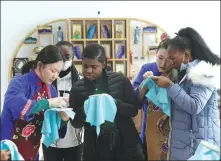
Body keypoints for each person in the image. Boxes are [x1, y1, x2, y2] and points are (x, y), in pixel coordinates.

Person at [150, 27, 220, 160]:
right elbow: (184, 100)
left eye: (172, 58)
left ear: (186, 55)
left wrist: (169, 85)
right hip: (187, 143)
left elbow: (194, 106)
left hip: (200, 145)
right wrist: (169, 116)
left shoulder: (203, 72)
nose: (169, 63)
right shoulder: (183, 71)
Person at [69, 44, 145, 161]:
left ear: (103, 64)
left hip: (125, 140)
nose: (88, 71)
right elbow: (76, 123)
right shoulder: (77, 88)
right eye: (85, 66)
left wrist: (114, 103)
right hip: (95, 144)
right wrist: (86, 108)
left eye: (94, 67)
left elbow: (133, 110)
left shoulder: (120, 80)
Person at [1, 45, 70, 160]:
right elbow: (17, 107)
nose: (55, 76)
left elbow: (52, 124)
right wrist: (47, 103)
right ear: (39, 65)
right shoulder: (18, 83)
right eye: (52, 71)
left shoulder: (51, 90)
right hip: (8, 148)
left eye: (58, 72)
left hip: (32, 150)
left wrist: (63, 119)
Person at [133, 38, 177, 160]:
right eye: (160, 58)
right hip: (150, 126)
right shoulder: (147, 68)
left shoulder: (178, 72)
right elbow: (135, 101)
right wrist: (145, 85)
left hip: (172, 126)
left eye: (168, 60)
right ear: (156, 54)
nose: (162, 64)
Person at [42, 41, 83, 161]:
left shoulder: (80, 80)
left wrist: (71, 116)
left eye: (67, 56)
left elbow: (85, 110)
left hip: (74, 138)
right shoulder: (46, 79)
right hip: (50, 139)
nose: (63, 60)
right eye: (60, 56)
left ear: (73, 58)